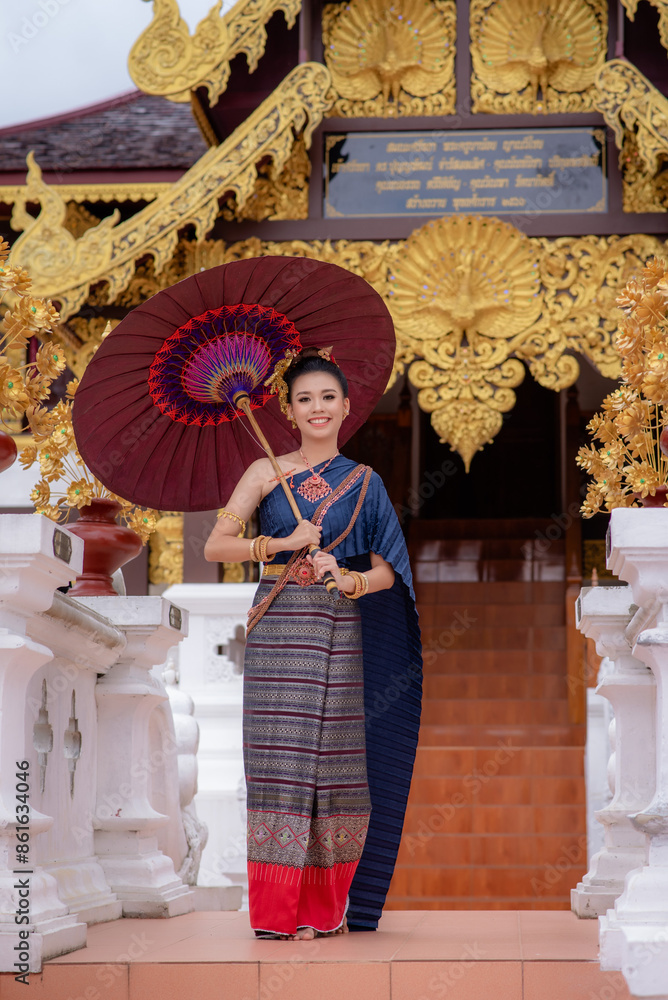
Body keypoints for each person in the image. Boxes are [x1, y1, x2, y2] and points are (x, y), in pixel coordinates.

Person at [204, 348, 421, 941]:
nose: (317, 408)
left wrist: (345, 578)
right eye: (305, 399)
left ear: (346, 407)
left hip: (338, 626)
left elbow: (388, 572)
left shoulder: (366, 483)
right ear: (288, 409)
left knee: (335, 762)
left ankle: (324, 909)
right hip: (278, 627)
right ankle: (276, 912)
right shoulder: (262, 472)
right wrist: (279, 542)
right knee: (281, 758)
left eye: (328, 397)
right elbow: (214, 547)